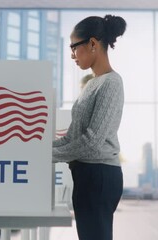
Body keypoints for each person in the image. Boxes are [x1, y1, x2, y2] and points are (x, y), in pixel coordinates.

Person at [52, 15, 126, 240]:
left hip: (100, 175)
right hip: (87, 174)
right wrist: (41, 149)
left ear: (92, 43)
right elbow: (73, 137)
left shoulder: (112, 82)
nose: (72, 55)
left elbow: (92, 141)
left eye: (74, 47)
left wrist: (49, 155)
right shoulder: (92, 83)